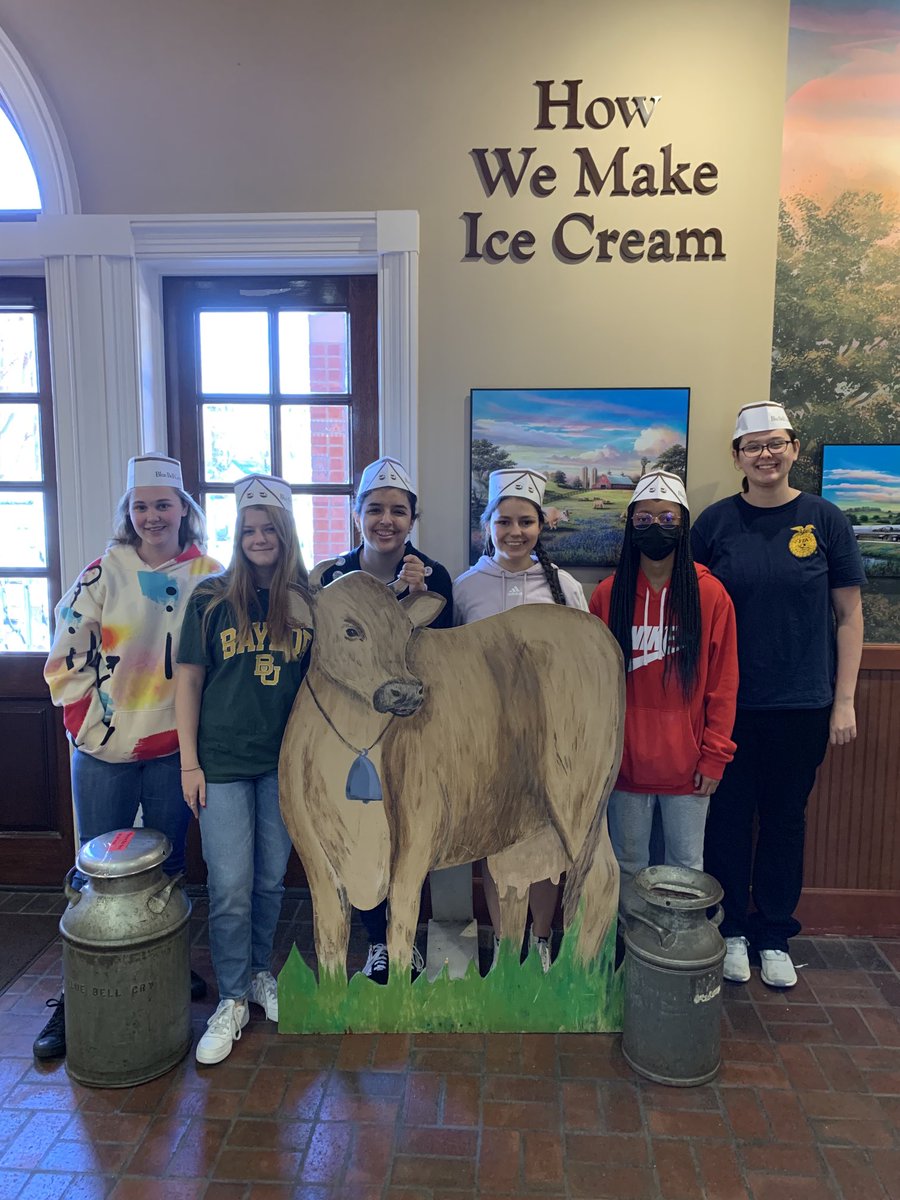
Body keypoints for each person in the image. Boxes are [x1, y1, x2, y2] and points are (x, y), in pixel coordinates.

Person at [38, 453, 222, 1060]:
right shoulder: (102, 574)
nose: (151, 516)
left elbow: (223, 664)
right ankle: (76, 996)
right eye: (140, 506)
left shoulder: (209, 575)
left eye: (162, 504)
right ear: (129, 512)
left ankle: (164, 967)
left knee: (166, 874)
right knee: (93, 877)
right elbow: (66, 655)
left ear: (183, 510)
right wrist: (88, 724)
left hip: (174, 750)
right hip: (104, 749)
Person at [692, 402, 865, 988]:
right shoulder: (714, 525)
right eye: (753, 446)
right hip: (727, 705)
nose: (765, 455)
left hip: (803, 703)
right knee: (728, 820)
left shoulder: (825, 520)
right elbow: (687, 615)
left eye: (776, 443)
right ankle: (731, 931)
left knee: (787, 820)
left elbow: (849, 615)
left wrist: (843, 700)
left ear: (794, 448)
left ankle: (774, 935)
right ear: (737, 457)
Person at [176, 474, 311, 1064]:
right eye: (249, 530)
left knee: (270, 880)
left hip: (284, 764)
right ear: (239, 536)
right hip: (223, 764)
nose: (259, 539)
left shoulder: (306, 601)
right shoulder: (209, 598)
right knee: (229, 886)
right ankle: (230, 997)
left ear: (285, 534)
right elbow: (188, 681)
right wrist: (189, 763)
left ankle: (259, 972)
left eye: (270, 529)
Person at [318, 456, 453, 984]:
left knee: (407, 827)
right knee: (362, 828)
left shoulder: (433, 573)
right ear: (357, 515)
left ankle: (408, 937)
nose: (386, 520)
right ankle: (377, 941)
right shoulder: (333, 577)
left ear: (412, 520)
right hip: (349, 730)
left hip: (413, 725)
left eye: (398, 511)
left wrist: (419, 599)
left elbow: (443, 650)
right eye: (375, 509)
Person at [453, 467, 587, 972]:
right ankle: (507, 946)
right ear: (486, 524)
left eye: (525, 522)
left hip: (550, 742)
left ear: (540, 526)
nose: (515, 532)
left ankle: (543, 940)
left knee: (544, 847)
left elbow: (582, 667)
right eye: (504, 521)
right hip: (484, 742)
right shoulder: (467, 589)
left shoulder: (565, 587)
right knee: (494, 844)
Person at [588, 471, 738, 894]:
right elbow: (597, 688)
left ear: (684, 525)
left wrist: (714, 757)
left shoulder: (710, 596)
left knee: (686, 866)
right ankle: (630, 954)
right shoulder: (607, 594)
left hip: (688, 769)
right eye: (644, 520)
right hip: (625, 764)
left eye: (668, 519)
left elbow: (723, 686)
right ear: (630, 527)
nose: (656, 528)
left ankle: (674, 954)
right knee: (627, 864)